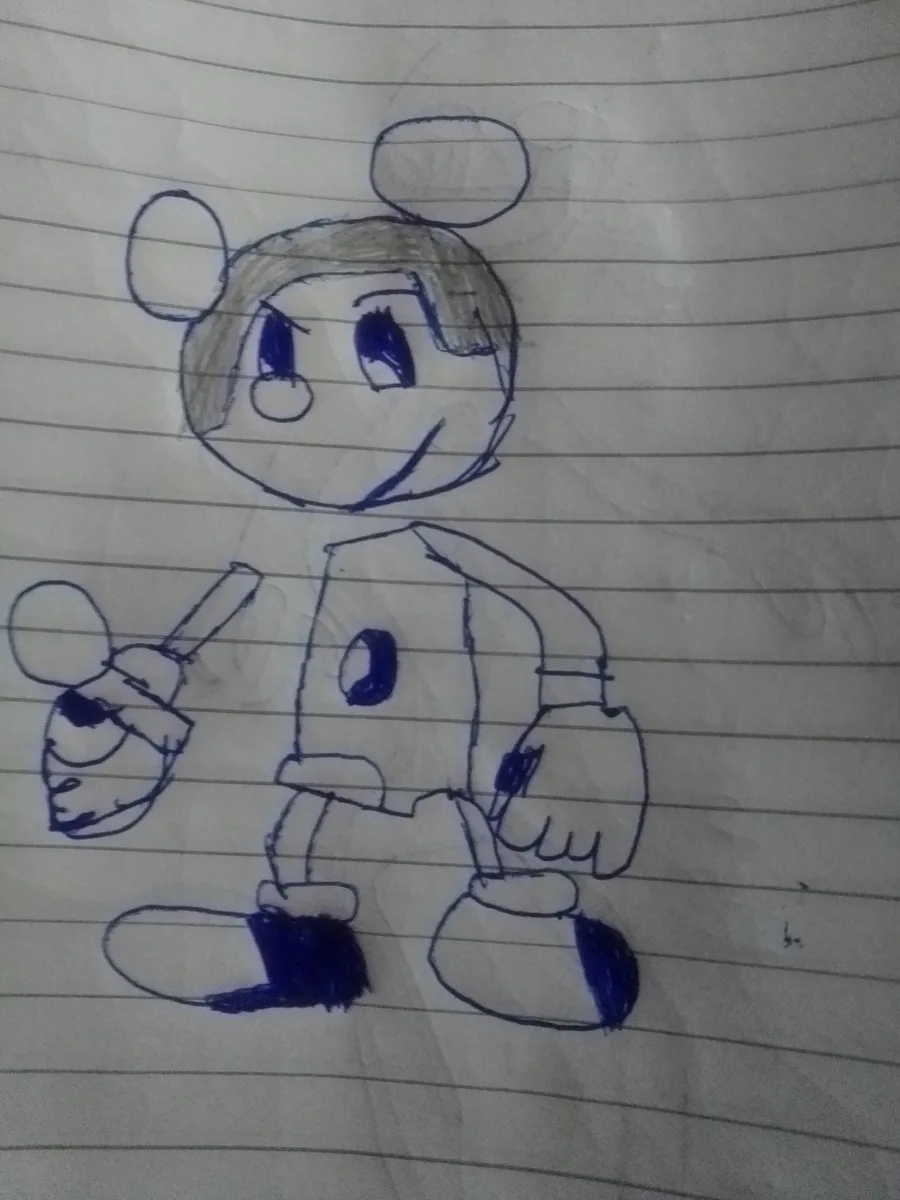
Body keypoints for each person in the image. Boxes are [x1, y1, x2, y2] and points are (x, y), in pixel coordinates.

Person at [102, 117, 649, 1029]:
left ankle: (524, 932)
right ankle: (295, 955)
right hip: (335, 747)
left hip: (455, 736)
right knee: (308, 836)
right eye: (273, 354)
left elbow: (553, 616)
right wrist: (143, 683)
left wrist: (580, 714)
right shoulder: (285, 549)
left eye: (383, 348)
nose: (300, 392)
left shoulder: (441, 543)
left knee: (483, 828)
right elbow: (208, 624)